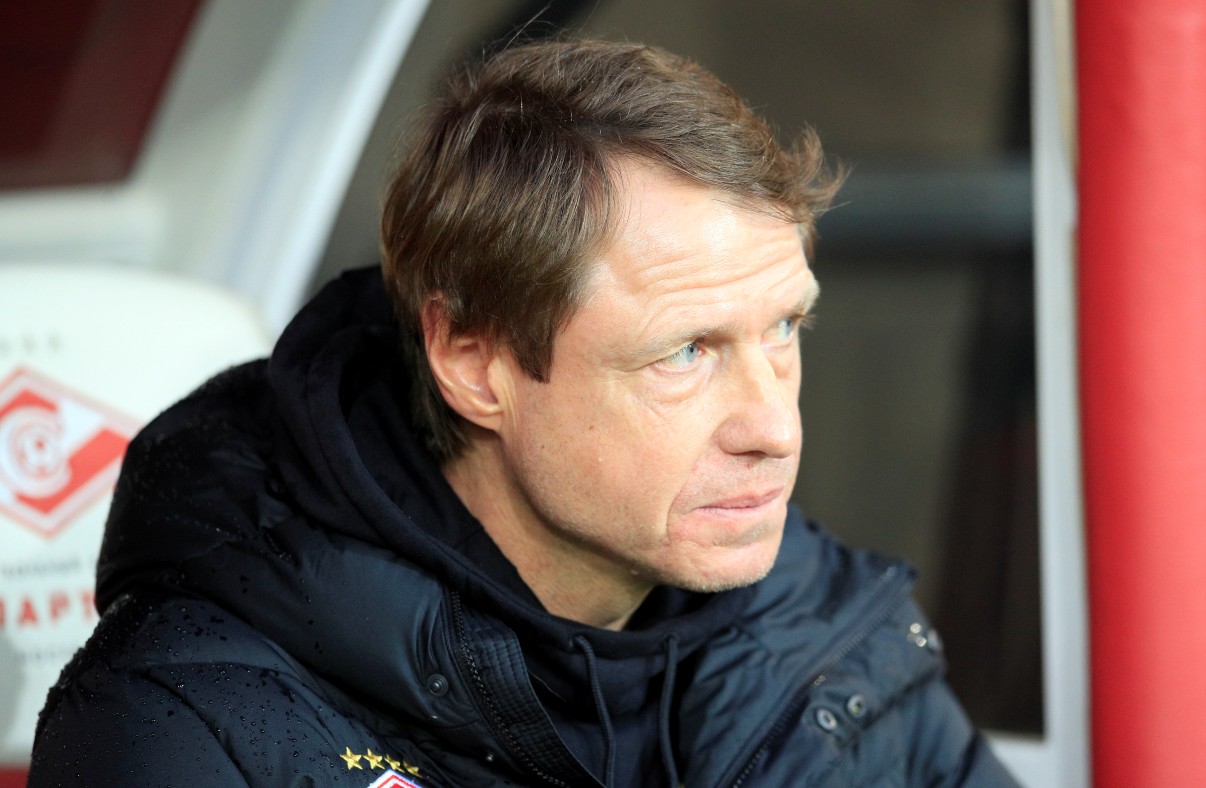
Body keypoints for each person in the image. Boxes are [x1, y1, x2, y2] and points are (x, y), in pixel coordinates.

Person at [29, 38, 1018, 787]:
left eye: (784, 329)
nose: (775, 427)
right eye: (685, 352)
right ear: (473, 363)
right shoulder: (194, 720)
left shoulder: (827, 638)